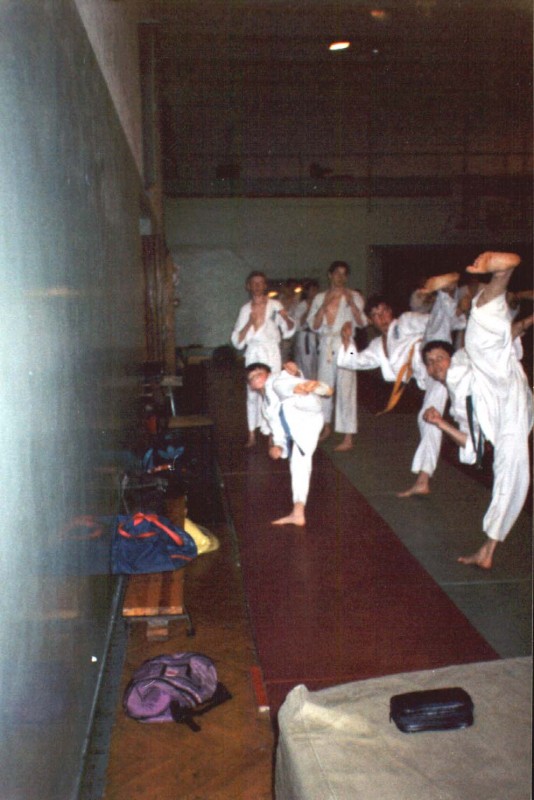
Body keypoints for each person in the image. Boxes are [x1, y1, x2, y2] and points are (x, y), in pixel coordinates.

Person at [420, 251, 533, 569]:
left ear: (448, 356)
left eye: (439, 358)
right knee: (510, 476)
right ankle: (488, 550)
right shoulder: (456, 404)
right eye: (430, 363)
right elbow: (471, 444)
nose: (436, 365)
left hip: (496, 382)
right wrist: (441, 423)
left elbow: (502, 340)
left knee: (478, 335)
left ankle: (500, 274)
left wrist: (525, 322)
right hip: (503, 411)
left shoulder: (460, 360)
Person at [246, 361, 333, 526]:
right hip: (302, 425)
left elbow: (285, 378)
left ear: (268, 373)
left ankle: (307, 389)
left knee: (279, 385)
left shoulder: (276, 378)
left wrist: (295, 373)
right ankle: (298, 512)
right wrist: (278, 446)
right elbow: (278, 428)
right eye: (252, 377)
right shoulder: (265, 408)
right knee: (299, 465)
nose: (256, 377)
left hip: (305, 409)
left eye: (259, 373)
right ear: (251, 386)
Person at [231, 271, 295, 448]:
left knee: (272, 390)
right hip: (254, 352)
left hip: (271, 351)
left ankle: (272, 433)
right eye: (254, 283)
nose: (258, 286)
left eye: (261, 283)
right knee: (252, 393)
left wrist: (285, 317)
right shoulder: (245, 309)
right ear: (248, 286)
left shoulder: (275, 305)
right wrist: (250, 323)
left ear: (265, 285)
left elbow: (289, 329)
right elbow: (237, 340)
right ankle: (252, 432)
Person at [308, 261, 367, 452]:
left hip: (347, 343)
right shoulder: (320, 298)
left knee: (347, 389)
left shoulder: (354, 296)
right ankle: (325, 426)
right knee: (323, 387)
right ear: (330, 275)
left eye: (344, 274)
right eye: (337, 273)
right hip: (327, 343)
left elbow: (362, 322)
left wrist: (351, 303)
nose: (340, 277)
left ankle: (348, 436)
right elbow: (314, 325)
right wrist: (324, 306)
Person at [293, 279, 320, 380]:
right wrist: (308, 310)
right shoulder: (302, 305)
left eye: (316, 290)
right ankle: (306, 384)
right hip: (305, 337)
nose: (314, 293)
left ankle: (316, 384)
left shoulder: (319, 304)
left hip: (316, 336)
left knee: (317, 364)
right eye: (312, 290)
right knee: (305, 364)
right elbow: (297, 323)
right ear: (307, 291)